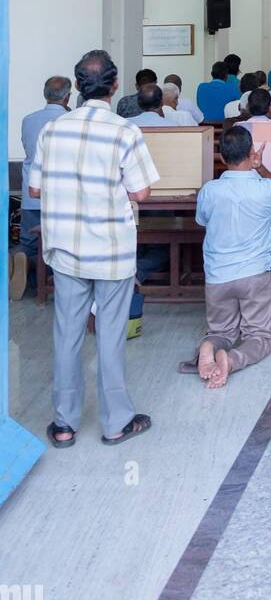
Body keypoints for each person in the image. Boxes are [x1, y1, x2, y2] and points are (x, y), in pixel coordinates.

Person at [28, 49, 158, 446]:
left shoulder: (52, 130)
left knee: (66, 334)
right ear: (116, 84)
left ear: (77, 86)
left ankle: (64, 425)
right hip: (112, 250)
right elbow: (140, 190)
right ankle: (116, 422)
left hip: (66, 247)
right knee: (110, 335)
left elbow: (34, 188)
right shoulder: (124, 131)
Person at [187, 126, 271, 388]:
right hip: (254, 274)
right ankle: (231, 360)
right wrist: (260, 167)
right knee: (261, 336)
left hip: (218, 275)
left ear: (221, 157)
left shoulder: (209, 190)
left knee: (222, 331)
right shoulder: (265, 189)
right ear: (252, 152)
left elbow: (202, 220)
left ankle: (210, 345)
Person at [16, 77, 72, 283]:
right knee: (60, 245)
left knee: (30, 242)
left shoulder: (28, 119)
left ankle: (22, 263)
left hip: (32, 191)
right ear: (67, 97)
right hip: (60, 196)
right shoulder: (70, 120)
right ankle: (37, 270)